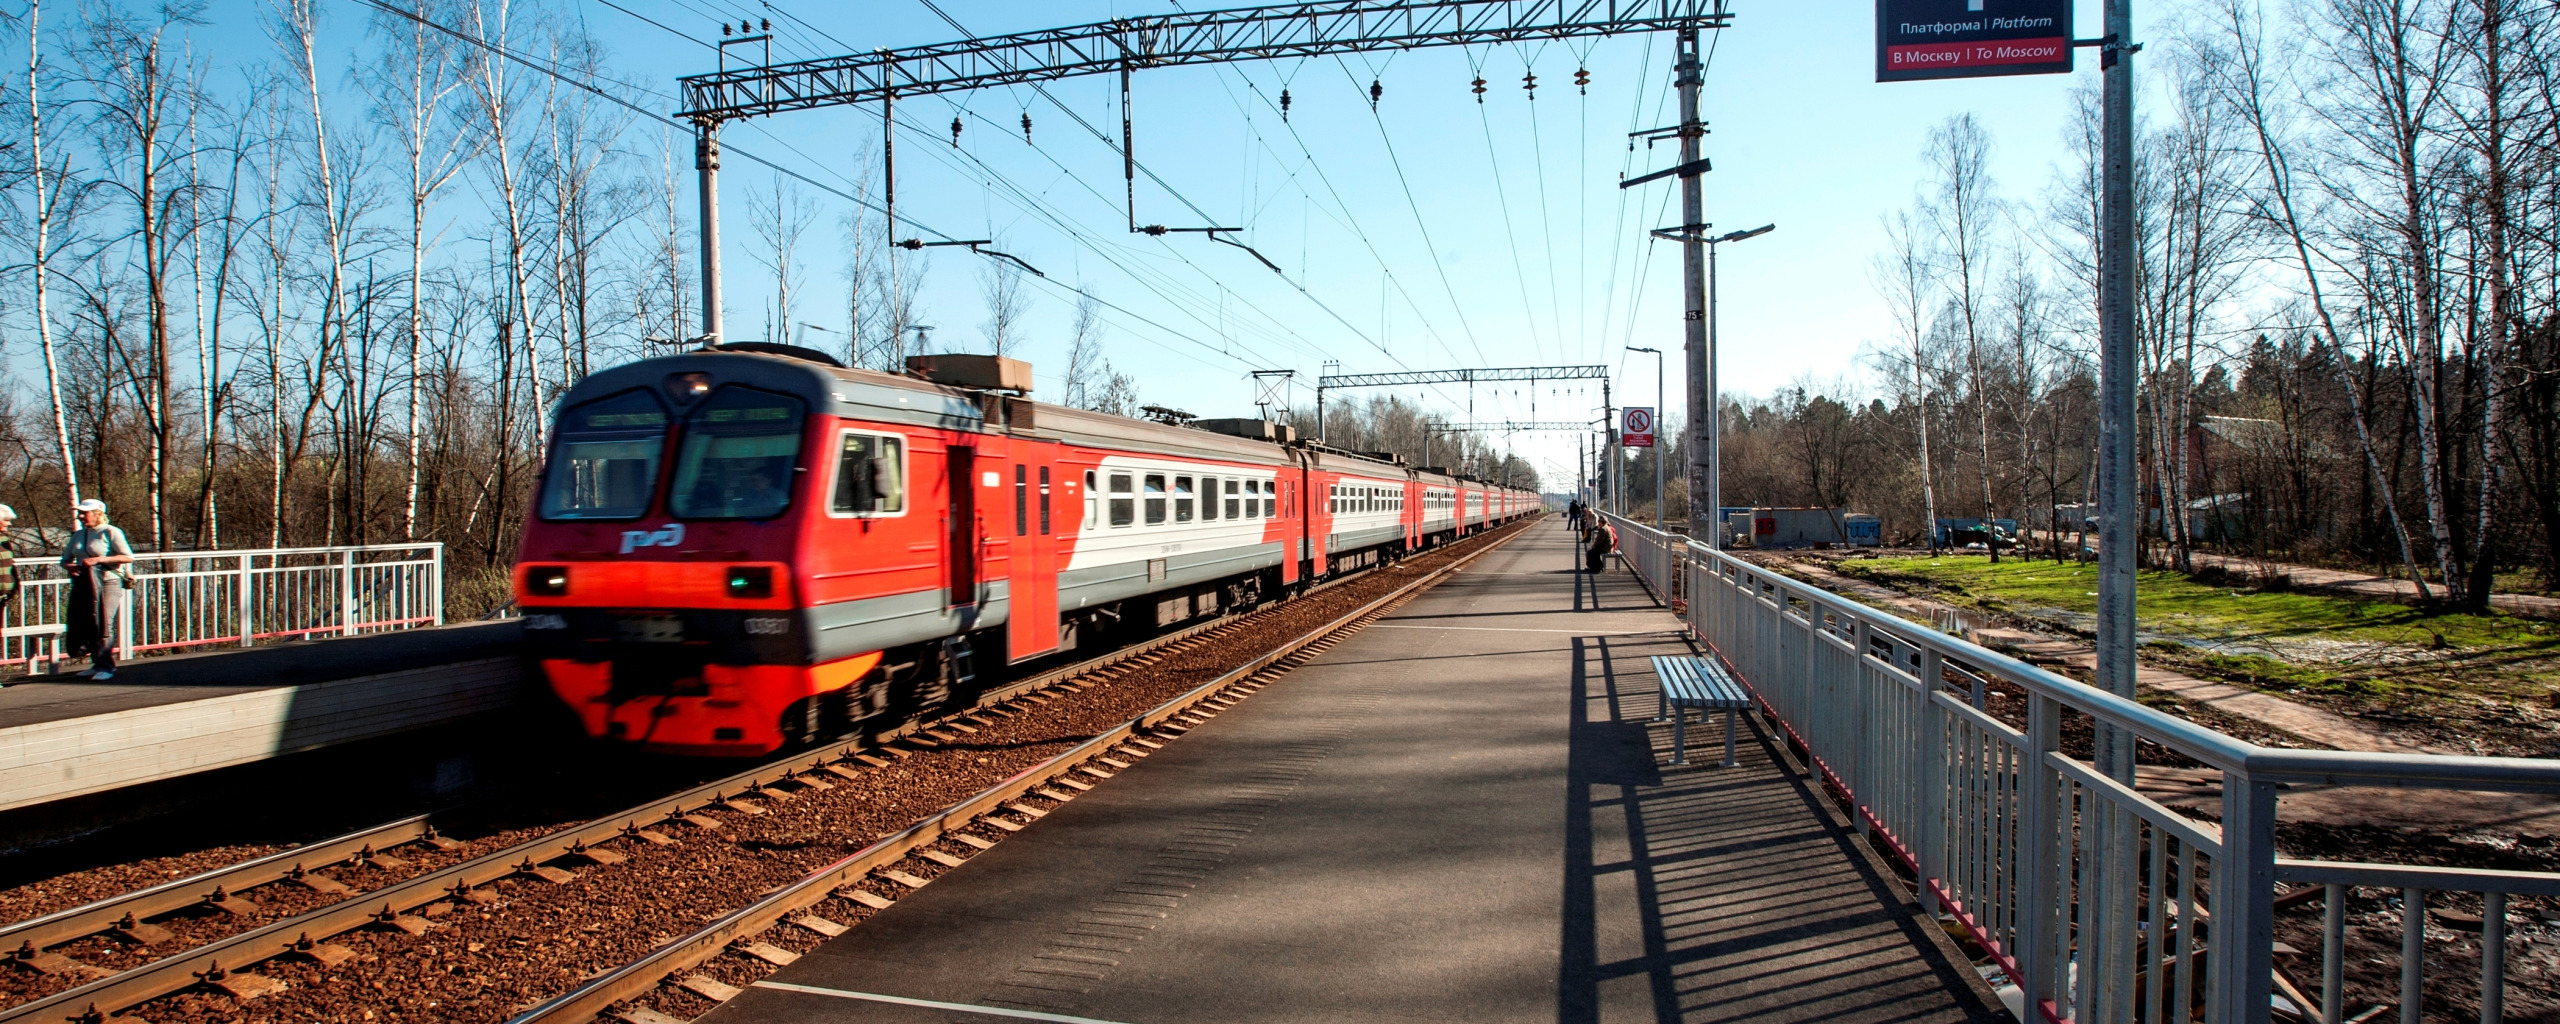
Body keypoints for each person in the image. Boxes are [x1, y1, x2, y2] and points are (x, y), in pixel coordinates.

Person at [61, 499, 133, 680]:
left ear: (97, 514)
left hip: (108, 582)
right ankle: (97, 663)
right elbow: (65, 559)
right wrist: (70, 566)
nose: (80, 516)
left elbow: (127, 557)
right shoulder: (78, 535)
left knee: (104, 622)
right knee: (89, 622)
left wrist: (98, 560)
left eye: (84, 513)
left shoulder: (110, 532)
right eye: (80, 513)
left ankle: (106, 666)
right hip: (85, 584)